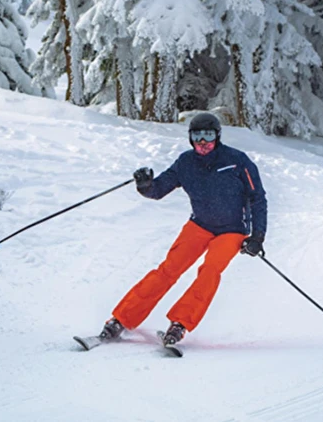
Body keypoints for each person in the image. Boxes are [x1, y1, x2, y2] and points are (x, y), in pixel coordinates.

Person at [98, 113, 267, 347]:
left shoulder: (237, 160)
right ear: (190, 138)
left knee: (210, 271)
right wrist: (145, 185)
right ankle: (121, 319)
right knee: (168, 270)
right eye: (197, 136)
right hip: (199, 225)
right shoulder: (186, 162)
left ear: (217, 136)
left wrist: (257, 236)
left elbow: (258, 198)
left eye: (208, 135)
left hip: (232, 229)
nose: (203, 142)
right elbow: (159, 189)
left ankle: (180, 323)